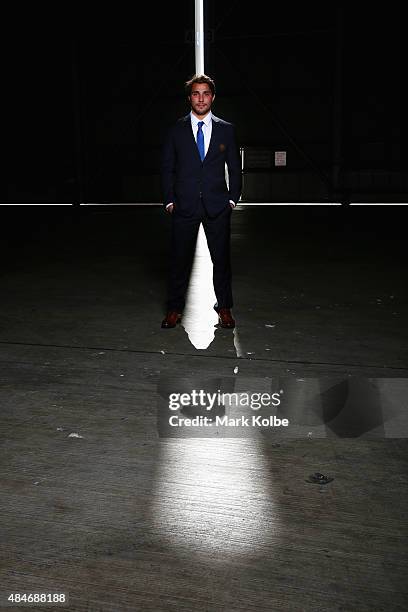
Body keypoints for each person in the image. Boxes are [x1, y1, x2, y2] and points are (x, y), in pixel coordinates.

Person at [161, 74, 242, 329]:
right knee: (179, 260)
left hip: (217, 206)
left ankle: (225, 308)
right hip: (184, 206)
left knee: (222, 260)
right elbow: (167, 168)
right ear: (189, 98)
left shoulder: (226, 130)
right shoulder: (176, 130)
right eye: (196, 94)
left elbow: (235, 168)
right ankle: (174, 309)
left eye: (205, 93)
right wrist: (169, 201)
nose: (201, 98)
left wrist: (232, 201)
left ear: (213, 97)